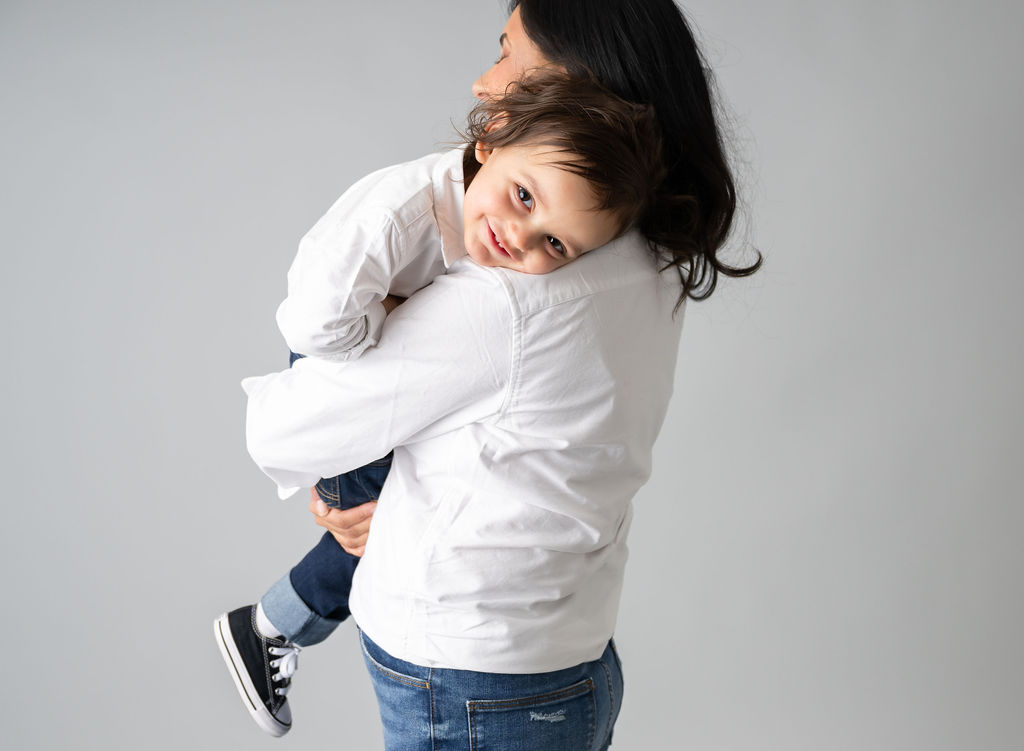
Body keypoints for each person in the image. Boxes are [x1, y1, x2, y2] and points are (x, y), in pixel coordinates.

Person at [242, 2, 760, 748]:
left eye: (509, 53)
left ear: (572, 84)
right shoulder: (640, 241)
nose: (486, 84)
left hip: (471, 678)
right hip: (571, 659)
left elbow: (283, 428)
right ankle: (275, 618)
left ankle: (273, 619)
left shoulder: (512, 290)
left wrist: (339, 477)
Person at [214, 72, 666, 737]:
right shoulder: (401, 211)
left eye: (557, 245)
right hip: (338, 352)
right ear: (489, 139)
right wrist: (392, 319)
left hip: (396, 405)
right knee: (364, 523)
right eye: (521, 197)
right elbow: (312, 323)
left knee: (377, 528)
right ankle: (271, 624)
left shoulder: (514, 246)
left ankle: (269, 624)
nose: (522, 237)